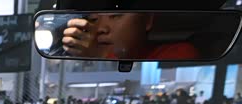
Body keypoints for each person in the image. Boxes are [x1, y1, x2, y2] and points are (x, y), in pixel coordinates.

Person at [63, 13, 199, 60]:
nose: (101, 28)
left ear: (147, 20)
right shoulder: (82, 56)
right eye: (93, 20)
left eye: (115, 16)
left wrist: (102, 55)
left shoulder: (180, 52)